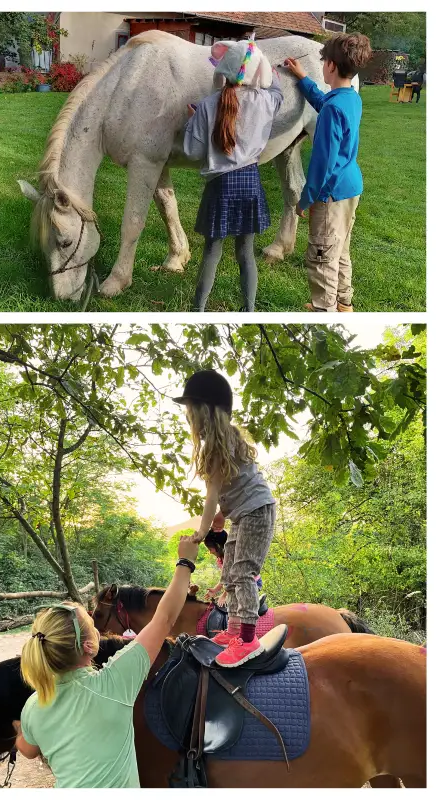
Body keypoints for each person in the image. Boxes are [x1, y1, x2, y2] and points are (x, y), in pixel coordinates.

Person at [11, 537, 201, 787]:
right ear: (89, 646)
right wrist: (185, 561)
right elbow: (164, 619)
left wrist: (20, 730)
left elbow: (28, 749)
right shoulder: (114, 683)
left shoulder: (33, 706)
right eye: (91, 623)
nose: (95, 623)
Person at [175, 369, 277, 667]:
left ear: (205, 412)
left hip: (256, 512)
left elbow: (211, 494)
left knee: (243, 572)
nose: (189, 417)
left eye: (191, 410)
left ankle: (247, 639)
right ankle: (233, 629)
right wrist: (223, 514)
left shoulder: (218, 447)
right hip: (243, 513)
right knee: (229, 572)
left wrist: (202, 530)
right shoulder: (228, 440)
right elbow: (236, 484)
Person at [184, 40, 283, 312]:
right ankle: (249, 310)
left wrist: (193, 120)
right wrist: (270, 70)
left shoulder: (207, 105)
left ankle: (198, 311)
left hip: (220, 186)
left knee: (211, 253)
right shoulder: (265, 100)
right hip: (250, 183)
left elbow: (192, 152)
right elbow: (277, 91)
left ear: (224, 68)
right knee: (246, 253)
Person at [283, 33, 373, 312]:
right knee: (340, 247)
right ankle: (344, 303)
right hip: (350, 188)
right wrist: (303, 79)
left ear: (331, 66)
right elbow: (325, 104)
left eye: (323, 62)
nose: (321, 67)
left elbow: (322, 164)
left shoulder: (334, 108)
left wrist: (306, 200)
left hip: (330, 194)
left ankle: (324, 310)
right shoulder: (350, 99)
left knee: (322, 254)